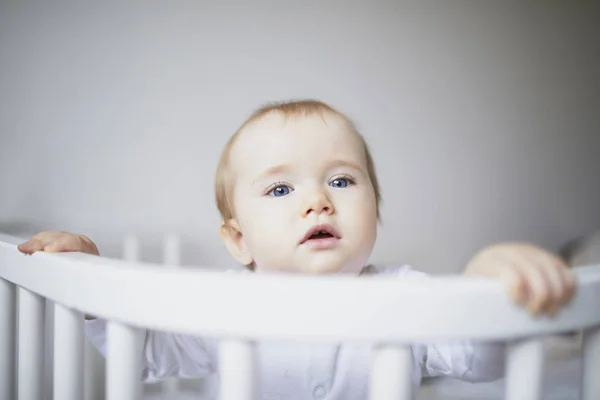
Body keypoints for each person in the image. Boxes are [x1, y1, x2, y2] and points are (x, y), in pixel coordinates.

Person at [18, 100, 576, 399]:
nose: (317, 201)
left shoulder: (408, 296)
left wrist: (485, 286)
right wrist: (89, 276)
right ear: (238, 241)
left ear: (374, 214)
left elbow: (479, 358)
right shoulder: (218, 305)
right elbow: (143, 357)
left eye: (341, 181)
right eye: (281, 189)